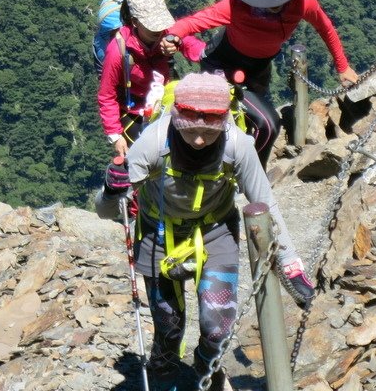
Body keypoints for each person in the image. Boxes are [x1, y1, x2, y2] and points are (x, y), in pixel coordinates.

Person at [95, 73, 315, 391]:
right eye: (191, 130)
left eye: (208, 131)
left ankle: (206, 363)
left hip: (215, 231)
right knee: (168, 325)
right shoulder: (155, 141)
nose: (199, 140)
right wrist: (110, 190)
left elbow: (264, 203)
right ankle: (164, 375)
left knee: (218, 327)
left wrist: (290, 262)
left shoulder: (237, 144)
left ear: (223, 121)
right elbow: (106, 211)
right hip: (158, 231)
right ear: (177, 117)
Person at [160, 0, 359, 96]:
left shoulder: (303, 3)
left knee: (261, 124)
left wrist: (343, 67)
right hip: (221, 57)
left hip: (259, 66)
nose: (273, 4)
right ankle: (191, 48)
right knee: (213, 111)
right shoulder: (236, 7)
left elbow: (325, 29)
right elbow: (195, 22)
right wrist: (173, 35)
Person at [98, 0, 205, 157]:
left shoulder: (167, 33)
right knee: (143, 159)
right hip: (134, 111)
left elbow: (193, 46)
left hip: (167, 100)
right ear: (134, 22)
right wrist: (116, 136)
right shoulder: (118, 51)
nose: (159, 30)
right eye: (152, 26)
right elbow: (107, 95)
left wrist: (207, 55)